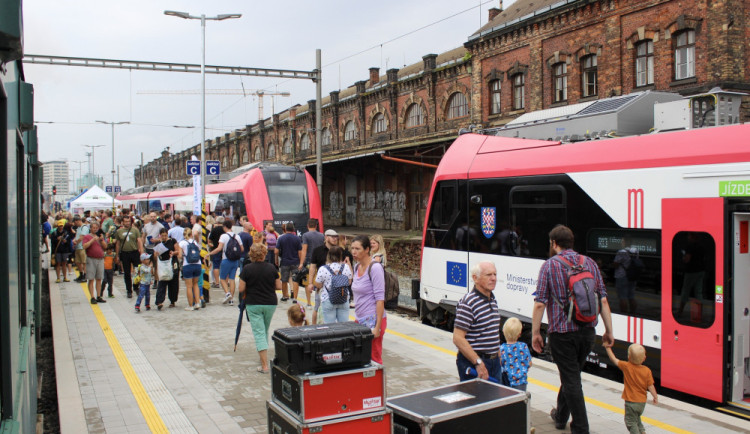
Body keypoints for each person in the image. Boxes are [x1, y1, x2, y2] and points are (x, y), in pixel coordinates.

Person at [532, 225, 613, 434]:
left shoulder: (549, 266)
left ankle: (580, 427)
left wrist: (535, 333)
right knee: (571, 375)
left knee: (571, 379)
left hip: (562, 333)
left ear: (553, 243)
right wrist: (608, 330)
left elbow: (540, 303)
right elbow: (603, 299)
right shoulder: (590, 263)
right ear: (572, 242)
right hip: (588, 331)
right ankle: (560, 416)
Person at [453, 261, 501, 381]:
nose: (493, 278)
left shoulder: (493, 300)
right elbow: (458, 338)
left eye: (495, 274)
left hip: (494, 363)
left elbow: (492, 332)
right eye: (489, 275)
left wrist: (498, 355)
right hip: (475, 363)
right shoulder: (468, 303)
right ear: (475, 278)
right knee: (476, 399)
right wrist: (478, 362)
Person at [238, 243, 281, 373]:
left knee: (259, 333)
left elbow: (241, 289)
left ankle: (264, 366)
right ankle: (263, 357)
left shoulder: (247, 269)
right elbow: (279, 286)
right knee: (264, 330)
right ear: (264, 254)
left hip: (254, 303)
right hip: (270, 303)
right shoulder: (272, 268)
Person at [604, 343, 658, 434]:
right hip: (641, 403)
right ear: (644, 358)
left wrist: (607, 348)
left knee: (630, 422)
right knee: (637, 419)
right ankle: (642, 432)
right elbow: (651, 386)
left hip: (631, 402)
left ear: (629, 357)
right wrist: (655, 396)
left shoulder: (626, 366)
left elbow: (614, 359)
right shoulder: (647, 371)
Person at [350, 235, 387, 364]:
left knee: (374, 358)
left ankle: (378, 383)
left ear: (367, 249)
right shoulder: (356, 267)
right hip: (359, 319)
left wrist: (377, 328)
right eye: (352, 248)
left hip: (373, 319)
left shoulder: (375, 268)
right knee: (359, 357)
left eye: (357, 249)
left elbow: (380, 299)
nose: (354, 252)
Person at [207, 219, 243, 305]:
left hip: (226, 259)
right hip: (235, 261)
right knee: (232, 279)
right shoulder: (237, 236)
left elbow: (219, 248)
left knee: (222, 279)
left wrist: (209, 253)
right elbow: (242, 249)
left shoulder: (223, 236)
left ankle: (227, 293)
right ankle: (231, 300)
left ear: (225, 227)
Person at [314, 246, 352, 324]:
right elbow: (349, 282)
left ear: (328, 255)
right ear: (341, 256)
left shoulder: (323, 268)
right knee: (343, 326)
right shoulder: (346, 267)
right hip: (343, 299)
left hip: (328, 299)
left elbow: (318, 285)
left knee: (329, 327)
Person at [677, 232, 706, 317]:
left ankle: (680, 311)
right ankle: (699, 313)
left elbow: (687, 259)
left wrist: (683, 257)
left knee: (685, 291)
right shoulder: (701, 246)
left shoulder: (690, 246)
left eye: (689, 235)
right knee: (698, 292)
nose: (687, 237)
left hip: (691, 271)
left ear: (692, 237)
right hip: (701, 271)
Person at [114, 215, 143, 298]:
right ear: (122, 222)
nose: (127, 223)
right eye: (126, 221)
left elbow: (139, 241)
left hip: (134, 252)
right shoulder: (119, 231)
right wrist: (117, 255)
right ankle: (129, 290)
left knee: (137, 270)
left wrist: (141, 252)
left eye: (129, 221)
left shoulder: (135, 230)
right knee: (127, 273)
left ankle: (136, 287)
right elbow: (118, 244)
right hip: (125, 253)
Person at [501, 317, 532, 391]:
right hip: (522, 382)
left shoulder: (501, 349)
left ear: (503, 331)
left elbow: (500, 364)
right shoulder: (523, 346)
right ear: (520, 333)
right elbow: (529, 363)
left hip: (507, 382)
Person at [275, 223, 303, 304]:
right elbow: (300, 252)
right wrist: (301, 262)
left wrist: (276, 259)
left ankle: (285, 296)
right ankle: (295, 298)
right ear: (293, 229)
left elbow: (276, 251)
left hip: (284, 262)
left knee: (284, 280)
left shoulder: (281, 238)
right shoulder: (297, 238)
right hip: (295, 262)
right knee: (295, 280)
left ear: (285, 229)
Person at [82, 221, 108, 304]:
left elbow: (105, 247)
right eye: (94, 228)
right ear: (91, 228)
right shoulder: (87, 237)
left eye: (97, 228)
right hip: (91, 259)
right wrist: (93, 239)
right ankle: (92, 296)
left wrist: (101, 240)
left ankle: (99, 295)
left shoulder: (100, 237)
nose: (95, 229)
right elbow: (84, 246)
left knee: (99, 278)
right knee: (91, 278)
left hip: (100, 259)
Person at [154, 228, 180, 310]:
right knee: (162, 282)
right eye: (162, 236)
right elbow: (155, 255)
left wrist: (173, 253)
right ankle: (159, 301)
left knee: (173, 282)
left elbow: (178, 251)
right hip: (163, 264)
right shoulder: (159, 243)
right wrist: (157, 254)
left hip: (172, 263)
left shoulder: (172, 241)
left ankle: (172, 300)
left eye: (165, 235)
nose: (164, 237)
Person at [301, 219, 325, 304]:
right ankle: (318, 300)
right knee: (319, 281)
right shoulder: (322, 235)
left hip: (309, 261)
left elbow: (304, 249)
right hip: (320, 261)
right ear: (316, 226)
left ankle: (308, 303)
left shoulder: (305, 235)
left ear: (308, 226)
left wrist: (301, 263)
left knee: (308, 282)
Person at [180, 227, 203, 311]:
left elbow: (179, 256)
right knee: (195, 284)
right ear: (191, 234)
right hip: (197, 265)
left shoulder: (182, 243)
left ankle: (190, 305)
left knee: (189, 286)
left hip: (188, 265)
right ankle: (197, 303)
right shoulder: (195, 242)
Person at [613, 239, 638, 314]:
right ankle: (633, 313)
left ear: (624, 242)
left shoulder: (621, 252)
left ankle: (624, 314)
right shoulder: (636, 251)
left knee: (622, 297)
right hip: (632, 276)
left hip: (622, 276)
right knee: (631, 296)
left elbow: (616, 264)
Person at [208, 216, 226, 288]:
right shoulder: (225, 230)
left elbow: (209, 241)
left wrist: (212, 245)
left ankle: (217, 282)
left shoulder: (214, 230)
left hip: (215, 249)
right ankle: (225, 281)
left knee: (216, 266)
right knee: (224, 266)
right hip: (224, 250)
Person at [72, 215, 89, 282]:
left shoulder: (84, 227)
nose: (75, 224)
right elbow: (76, 236)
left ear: (78, 221)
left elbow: (82, 237)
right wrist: (74, 240)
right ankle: (81, 274)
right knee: (78, 262)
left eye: (75, 222)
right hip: (77, 247)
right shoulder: (78, 228)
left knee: (84, 262)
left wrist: (76, 242)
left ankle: (85, 275)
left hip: (82, 247)